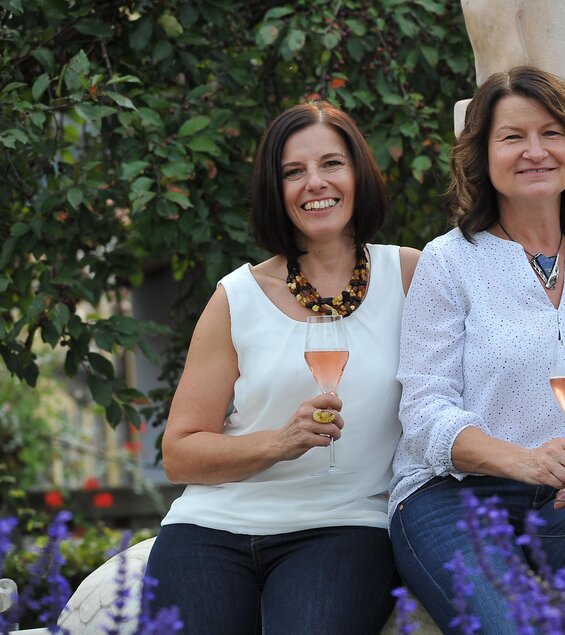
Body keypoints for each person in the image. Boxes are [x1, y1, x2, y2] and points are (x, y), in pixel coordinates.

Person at [390, 66, 565, 633]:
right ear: (482, 157)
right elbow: (424, 410)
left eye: (551, 133)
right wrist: (523, 461)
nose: (534, 151)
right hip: (455, 498)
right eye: (512, 137)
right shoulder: (449, 261)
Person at [145, 100, 419, 633]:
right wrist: (279, 442)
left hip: (343, 525)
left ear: (359, 173)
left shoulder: (411, 274)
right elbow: (179, 453)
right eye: (293, 171)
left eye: (331, 164)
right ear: (277, 190)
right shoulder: (236, 296)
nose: (315, 182)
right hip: (211, 528)